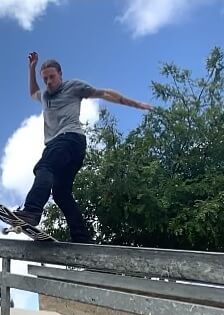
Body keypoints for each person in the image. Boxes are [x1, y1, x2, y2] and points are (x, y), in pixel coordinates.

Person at [12, 52, 154, 243]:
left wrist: (135, 104)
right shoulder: (44, 95)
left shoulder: (73, 86)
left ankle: (31, 211)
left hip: (69, 139)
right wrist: (31, 69)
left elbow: (104, 93)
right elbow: (32, 93)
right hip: (69, 148)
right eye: (45, 78)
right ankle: (82, 237)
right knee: (61, 193)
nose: (49, 82)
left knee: (44, 167)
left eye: (52, 77)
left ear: (60, 74)